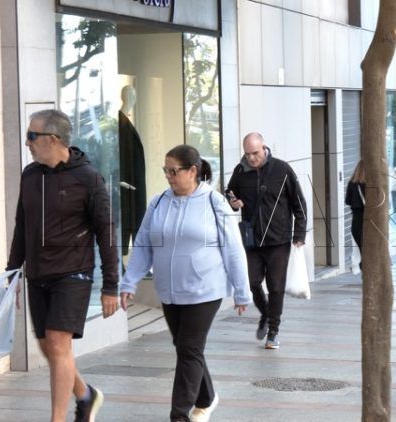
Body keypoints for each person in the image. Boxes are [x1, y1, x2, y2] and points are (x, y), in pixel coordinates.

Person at [121, 145, 251, 422]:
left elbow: (233, 249)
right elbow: (143, 244)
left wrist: (242, 291)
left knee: (189, 350)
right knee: (185, 347)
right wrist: (129, 282)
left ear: (192, 171)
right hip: (169, 290)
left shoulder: (214, 202)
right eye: (165, 171)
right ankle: (207, 397)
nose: (168, 176)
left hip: (205, 289)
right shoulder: (158, 202)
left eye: (173, 171)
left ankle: (179, 416)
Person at [6, 109, 119, 422]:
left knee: (57, 343)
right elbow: (22, 225)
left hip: (73, 273)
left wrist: (111, 285)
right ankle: (86, 395)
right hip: (38, 274)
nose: (27, 143)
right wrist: (12, 272)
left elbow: (106, 232)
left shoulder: (88, 178)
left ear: (53, 139)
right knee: (49, 348)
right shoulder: (30, 175)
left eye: (32, 136)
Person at [226, 132, 307, 349]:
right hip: (252, 239)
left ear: (264, 148)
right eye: (247, 154)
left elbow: (299, 202)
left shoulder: (282, 169)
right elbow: (230, 192)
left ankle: (273, 331)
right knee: (252, 282)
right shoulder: (240, 171)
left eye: (255, 153)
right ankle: (266, 313)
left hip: (278, 239)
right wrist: (233, 201)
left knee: (275, 287)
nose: (251, 158)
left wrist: (299, 234)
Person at [118, 85, 147, 261]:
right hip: (128, 183)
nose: (134, 99)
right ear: (125, 97)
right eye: (131, 95)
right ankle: (125, 261)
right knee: (129, 220)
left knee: (135, 220)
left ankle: (137, 260)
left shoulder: (125, 121)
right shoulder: (120, 123)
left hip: (132, 182)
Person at [345, 160, 366, 255]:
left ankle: (362, 262)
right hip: (368, 218)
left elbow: (347, 201)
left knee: (360, 248)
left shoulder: (351, 183)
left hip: (356, 219)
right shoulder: (370, 184)